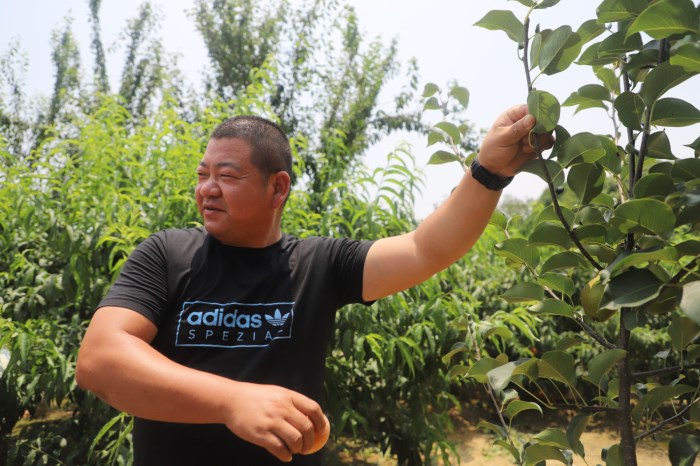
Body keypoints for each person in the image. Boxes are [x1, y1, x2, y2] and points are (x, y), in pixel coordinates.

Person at [76, 104, 553, 465]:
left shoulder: (317, 264)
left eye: (227, 176)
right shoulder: (167, 254)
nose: (207, 189)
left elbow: (425, 249)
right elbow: (100, 360)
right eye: (203, 175)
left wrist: (489, 170)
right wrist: (232, 401)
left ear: (278, 188)